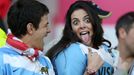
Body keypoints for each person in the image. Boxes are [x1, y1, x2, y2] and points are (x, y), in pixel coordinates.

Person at [46, 1, 115, 75]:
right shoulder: (72, 52)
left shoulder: (104, 49)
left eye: (87, 20)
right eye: (76, 23)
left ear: (96, 23)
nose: (82, 25)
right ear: (71, 28)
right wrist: (90, 71)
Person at [0, 0, 55, 75]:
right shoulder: (2, 58)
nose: (49, 30)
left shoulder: (45, 61)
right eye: (45, 25)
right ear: (30, 28)